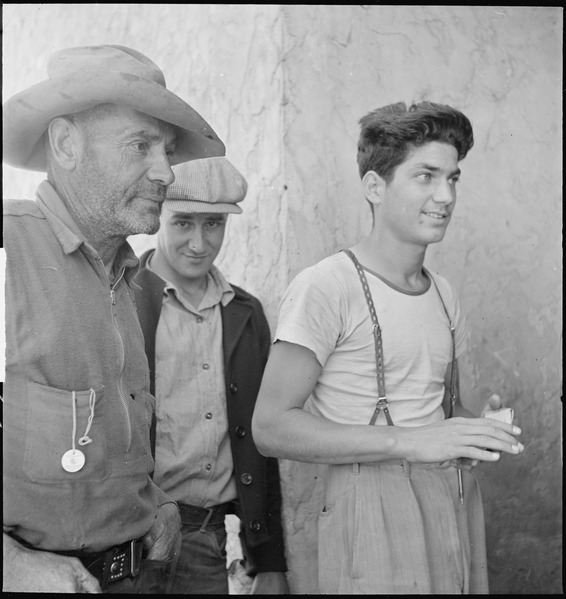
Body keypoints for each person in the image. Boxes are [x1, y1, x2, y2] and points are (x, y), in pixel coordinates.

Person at [252, 101, 525, 594]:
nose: (444, 196)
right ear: (375, 186)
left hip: (452, 496)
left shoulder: (443, 291)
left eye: (453, 178)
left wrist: (475, 430)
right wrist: (413, 442)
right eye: (425, 176)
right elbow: (270, 428)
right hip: (369, 502)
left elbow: (442, 412)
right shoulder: (327, 286)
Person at [2, 44, 225, 593]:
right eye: (141, 145)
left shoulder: (127, 279)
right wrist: (9, 564)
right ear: (66, 144)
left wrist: (155, 503)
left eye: (168, 151)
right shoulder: (8, 257)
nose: (166, 172)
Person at [133, 156, 289, 594]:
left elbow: (263, 438)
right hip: (128, 538)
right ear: (157, 217)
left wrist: (269, 560)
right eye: (183, 223)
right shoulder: (122, 300)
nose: (200, 243)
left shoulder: (245, 313)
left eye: (214, 224)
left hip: (205, 537)